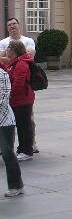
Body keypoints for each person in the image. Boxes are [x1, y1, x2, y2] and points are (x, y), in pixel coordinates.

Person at [0, 18, 38, 153]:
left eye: (14, 24)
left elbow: (28, 55)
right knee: (17, 121)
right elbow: (3, 61)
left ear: (19, 25)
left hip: (21, 96)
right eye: (9, 24)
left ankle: (29, 146)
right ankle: (21, 147)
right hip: (15, 96)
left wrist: (10, 95)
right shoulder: (4, 43)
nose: (11, 26)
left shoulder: (27, 43)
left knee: (25, 121)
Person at [2, 40, 35, 161]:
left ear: (15, 50)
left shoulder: (21, 64)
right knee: (22, 124)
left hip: (22, 99)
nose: (7, 49)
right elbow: (8, 74)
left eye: (9, 47)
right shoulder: (14, 62)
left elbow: (18, 84)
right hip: (18, 99)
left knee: (24, 125)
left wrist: (9, 95)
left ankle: (26, 151)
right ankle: (22, 149)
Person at [0, 65, 24, 196]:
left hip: (4, 121)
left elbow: (3, 98)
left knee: (7, 153)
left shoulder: (2, 74)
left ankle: (16, 186)